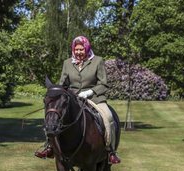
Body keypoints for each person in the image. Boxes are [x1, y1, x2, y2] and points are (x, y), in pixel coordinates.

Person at [35, 36, 120, 164]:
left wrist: (90, 92)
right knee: (53, 116)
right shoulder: (67, 63)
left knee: (108, 117)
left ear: (86, 48)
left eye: (81, 49)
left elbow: (103, 83)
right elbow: (63, 84)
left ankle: (110, 151)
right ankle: (49, 146)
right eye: (77, 49)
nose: (79, 52)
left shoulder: (97, 61)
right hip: (73, 98)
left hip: (94, 98)